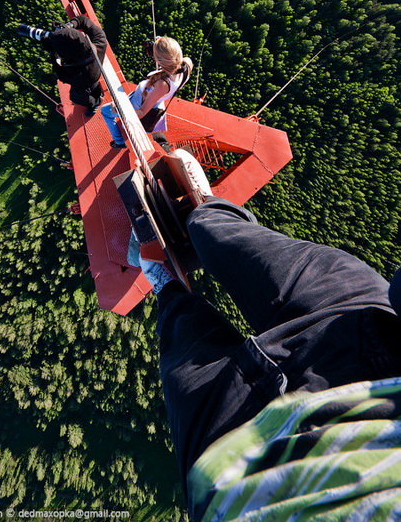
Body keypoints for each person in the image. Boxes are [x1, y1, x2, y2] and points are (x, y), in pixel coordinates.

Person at [132, 165, 401, 521]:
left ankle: (179, 259)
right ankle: (196, 227)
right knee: (214, 272)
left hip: (248, 474)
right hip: (246, 469)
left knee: (189, 325)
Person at [101, 36, 193, 148]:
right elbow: (175, 57)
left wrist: (120, 110)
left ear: (158, 60)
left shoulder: (162, 84)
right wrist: (160, 45)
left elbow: (141, 112)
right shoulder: (187, 65)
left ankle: (119, 141)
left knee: (105, 111)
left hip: (139, 102)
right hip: (154, 100)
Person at [18, 16, 107, 115]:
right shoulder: (100, 42)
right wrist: (68, 27)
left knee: (76, 98)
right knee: (91, 87)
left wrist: (52, 53)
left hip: (86, 82)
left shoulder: (75, 75)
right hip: (94, 71)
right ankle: (96, 95)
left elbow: (59, 72)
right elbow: (84, 20)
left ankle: (94, 104)